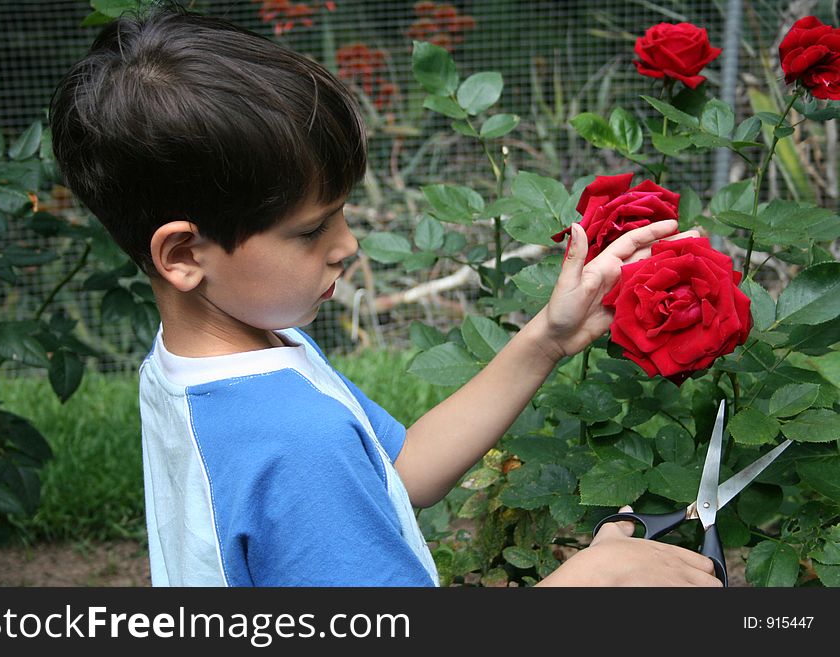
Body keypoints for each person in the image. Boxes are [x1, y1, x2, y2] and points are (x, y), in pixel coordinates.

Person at [49, 6, 720, 587]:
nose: (347, 245)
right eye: (312, 228)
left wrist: (548, 334)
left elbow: (403, 469)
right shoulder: (294, 439)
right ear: (185, 255)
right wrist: (588, 580)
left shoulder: (212, 364)